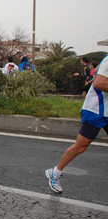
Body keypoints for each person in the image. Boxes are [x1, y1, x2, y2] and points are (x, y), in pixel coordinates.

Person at [45, 55, 108, 193]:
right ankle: (55, 173)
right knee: (81, 147)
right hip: (95, 110)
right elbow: (99, 83)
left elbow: (96, 70)